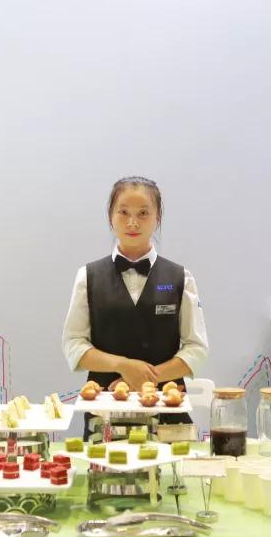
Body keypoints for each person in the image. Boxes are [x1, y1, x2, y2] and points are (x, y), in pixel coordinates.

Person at [62, 176, 209, 440]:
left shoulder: (180, 278)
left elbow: (196, 349)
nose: (132, 222)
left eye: (143, 213)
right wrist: (123, 365)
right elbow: (74, 344)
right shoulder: (88, 277)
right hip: (105, 416)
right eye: (124, 212)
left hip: (167, 416)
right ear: (111, 217)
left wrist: (148, 377)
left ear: (157, 218)